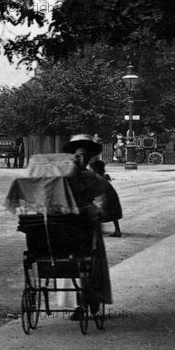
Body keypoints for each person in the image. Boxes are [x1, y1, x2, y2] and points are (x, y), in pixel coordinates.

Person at [60, 134, 113, 320]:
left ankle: (88, 300)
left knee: (90, 261)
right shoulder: (66, 176)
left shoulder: (89, 177)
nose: (82, 159)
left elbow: (100, 194)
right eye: (80, 155)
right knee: (79, 261)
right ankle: (81, 302)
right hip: (73, 222)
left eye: (86, 156)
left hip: (83, 222)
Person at [89, 160, 123, 237]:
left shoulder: (97, 178)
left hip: (103, 199)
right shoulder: (103, 177)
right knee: (113, 214)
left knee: (96, 213)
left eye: (90, 168)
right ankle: (117, 230)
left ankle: (97, 230)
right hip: (111, 198)